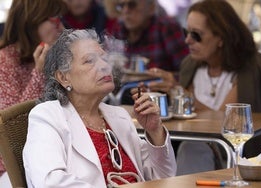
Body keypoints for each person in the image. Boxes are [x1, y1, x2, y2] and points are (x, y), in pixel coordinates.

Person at [22, 29, 176, 187]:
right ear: (64, 77)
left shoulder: (119, 116)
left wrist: (155, 131)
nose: (104, 66)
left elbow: (165, 178)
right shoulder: (47, 116)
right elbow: (50, 183)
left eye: (104, 58)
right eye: (90, 60)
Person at [144, 0, 261, 175]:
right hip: (196, 154)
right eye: (186, 32)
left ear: (221, 38)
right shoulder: (191, 66)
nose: (187, 40)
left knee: (193, 148)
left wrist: (179, 91)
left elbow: (228, 123)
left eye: (196, 35)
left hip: (239, 158)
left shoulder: (250, 69)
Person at [0, 0, 65, 178]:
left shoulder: (53, 55)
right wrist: (40, 74)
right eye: (53, 18)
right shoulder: (4, 61)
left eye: (60, 17)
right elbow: (12, 129)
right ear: (31, 21)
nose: (61, 25)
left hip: (50, 155)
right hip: (11, 168)